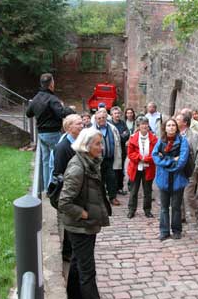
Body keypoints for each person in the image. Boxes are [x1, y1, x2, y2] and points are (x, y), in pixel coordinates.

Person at [58, 128, 111, 299]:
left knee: (77, 262)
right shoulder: (77, 168)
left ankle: (73, 294)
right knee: (87, 271)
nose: (101, 147)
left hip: (86, 225)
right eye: (97, 144)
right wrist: (84, 214)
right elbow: (64, 202)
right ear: (86, 146)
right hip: (80, 226)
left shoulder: (90, 162)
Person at [26, 73, 75, 192]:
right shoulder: (52, 99)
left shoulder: (37, 97)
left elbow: (29, 113)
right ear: (51, 84)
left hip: (41, 135)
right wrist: (70, 109)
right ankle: (52, 189)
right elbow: (61, 113)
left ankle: (46, 188)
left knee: (46, 161)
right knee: (55, 161)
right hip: (52, 134)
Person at [52, 114, 83, 263]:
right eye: (78, 124)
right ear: (69, 127)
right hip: (69, 191)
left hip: (79, 189)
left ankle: (74, 249)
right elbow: (57, 172)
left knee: (75, 222)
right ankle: (67, 252)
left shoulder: (80, 142)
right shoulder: (62, 147)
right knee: (70, 223)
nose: (82, 126)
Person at [152, 118, 189, 241]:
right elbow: (155, 156)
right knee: (164, 207)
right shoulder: (161, 141)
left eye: (173, 125)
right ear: (165, 128)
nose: (171, 127)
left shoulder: (183, 141)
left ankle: (177, 230)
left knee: (176, 207)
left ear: (176, 128)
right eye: (169, 125)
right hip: (163, 179)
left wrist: (167, 163)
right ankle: (164, 231)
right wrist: (172, 160)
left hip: (178, 178)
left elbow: (183, 160)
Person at [175, 113, 198, 227]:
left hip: (190, 169)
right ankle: (181, 216)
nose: (175, 121)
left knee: (188, 195)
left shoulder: (194, 136)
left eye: (178, 119)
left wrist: (197, 168)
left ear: (185, 123)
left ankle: (197, 217)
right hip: (177, 169)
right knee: (178, 193)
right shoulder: (175, 135)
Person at [127, 116, 157, 219]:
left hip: (148, 168)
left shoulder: (154, 139)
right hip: (136, 167)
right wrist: (140, 158)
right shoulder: (133, 138)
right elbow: (130, 154)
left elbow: (156, 153)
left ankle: (147, 210)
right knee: (134, 190)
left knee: (147, 191)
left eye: (146, 124)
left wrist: (147, 159)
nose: (144, 126)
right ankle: (131, 210)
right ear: (138, 126)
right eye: (142, 124)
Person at [94, 110, 122, 206]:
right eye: (99, 118)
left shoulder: (112, 128)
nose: (101, 120)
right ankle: (101, 198)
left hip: (110, 158)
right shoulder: (92, 130)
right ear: (96, 119)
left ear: (106, 118)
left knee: (112, 178)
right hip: (98, 160)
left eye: (103, 118)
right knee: (99, 179)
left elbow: (117, 142)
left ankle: (112, 197)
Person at [110, 106, 130, 195]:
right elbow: (112, 137)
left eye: (118, 113)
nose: (117, 115)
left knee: (121, 169)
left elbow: (127, 134)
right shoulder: (109, 124)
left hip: (122, 149)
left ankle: (120, 187)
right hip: (113, 150)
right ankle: (113, 187)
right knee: (113, 169)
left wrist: (120, 137)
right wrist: (121, 136)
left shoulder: (122, 123)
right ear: (111, 115)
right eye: (115, 113)